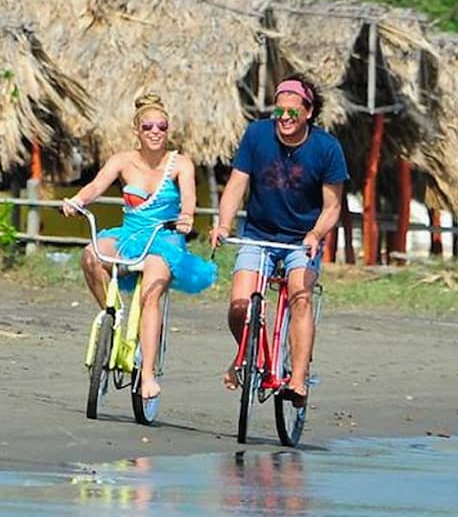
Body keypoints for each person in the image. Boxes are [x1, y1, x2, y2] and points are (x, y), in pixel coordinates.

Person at [62, 92, 217, 399]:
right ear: (136, 130)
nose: (155, 132)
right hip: (130, 234)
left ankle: (147, 374)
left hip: (165, 238)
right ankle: (114, 316)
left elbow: (189, 197)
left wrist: (186, 216)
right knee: (92, 255)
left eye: (162, 126)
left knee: (150, 295)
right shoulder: (122, 160)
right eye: (148, 127)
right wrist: (77, 201)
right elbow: (95, 185)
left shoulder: (180, 164)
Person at [209, 73, 348, 406]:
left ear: (309, 112)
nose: (284, 119)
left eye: (292, 113)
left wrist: (316, 234)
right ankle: (247, 355)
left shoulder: (327, 148)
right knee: (239, 306)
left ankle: (298, 380)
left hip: (302, 239)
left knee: (300, 295)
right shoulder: (257, 135)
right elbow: (236, 185)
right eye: (279, 113)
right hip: (258, 233)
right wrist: (224, 224)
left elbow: (332, 207)